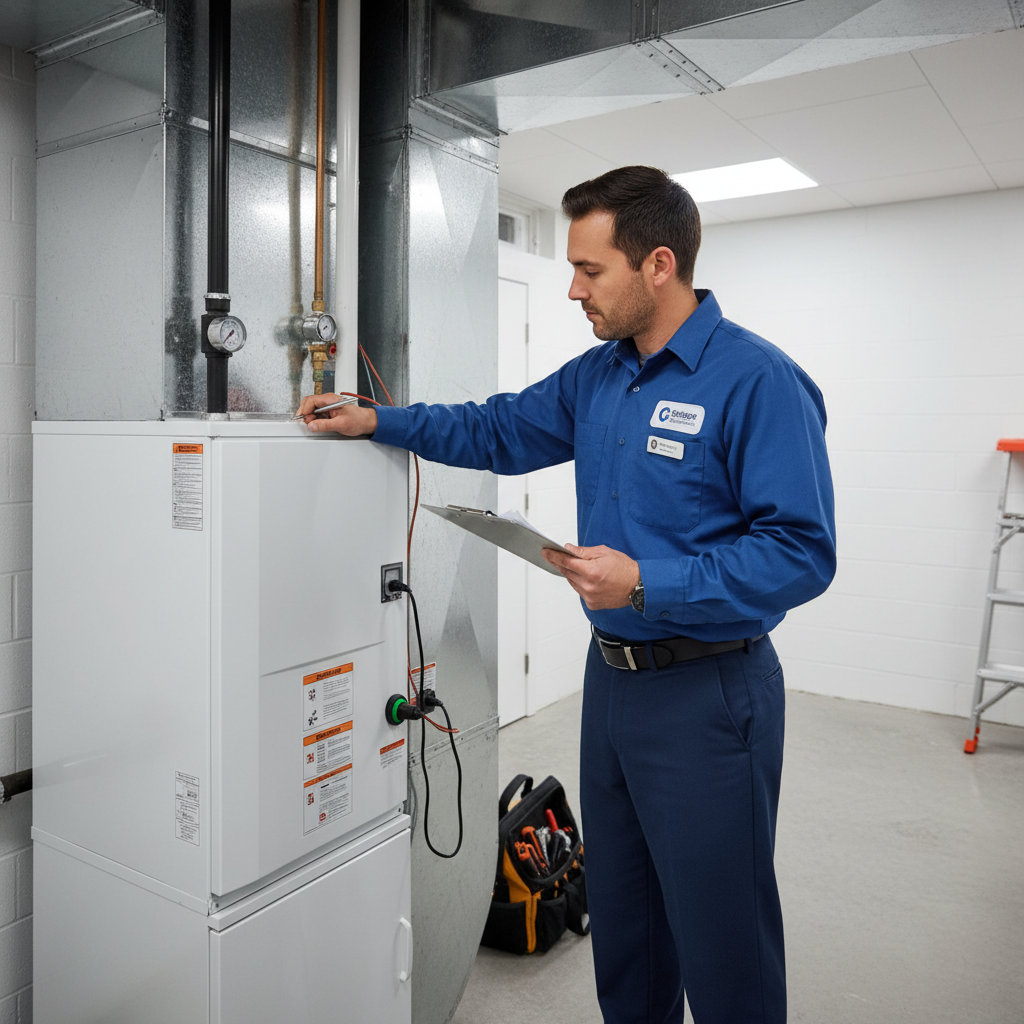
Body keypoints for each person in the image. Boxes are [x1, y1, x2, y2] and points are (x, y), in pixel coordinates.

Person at [297, 165, 836, 1024]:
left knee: (723, 942)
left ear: (658, 264)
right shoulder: (600, 376)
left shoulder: (757, 381)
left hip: (710, 692)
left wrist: (647, 580)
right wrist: (381, 421)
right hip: (614, 686)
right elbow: (497, 427)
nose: (574, 289)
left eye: (591, 270)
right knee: (627, 928)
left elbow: (801, 554)